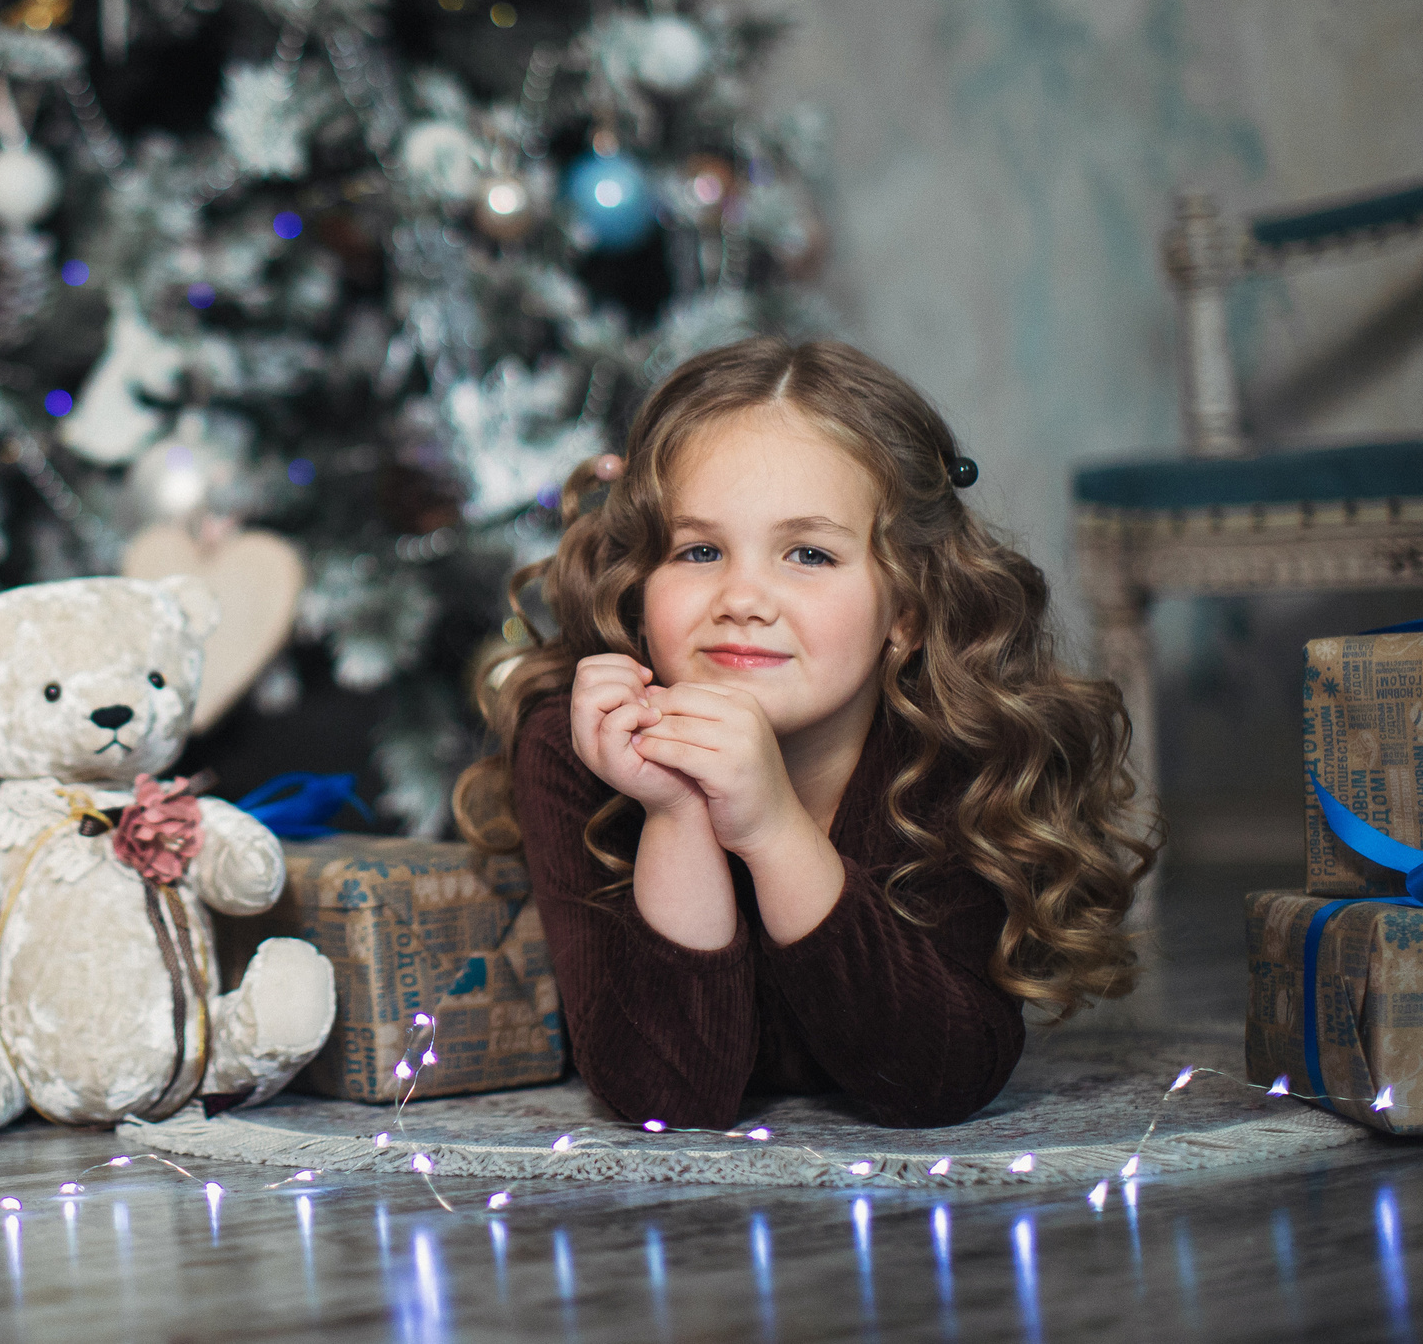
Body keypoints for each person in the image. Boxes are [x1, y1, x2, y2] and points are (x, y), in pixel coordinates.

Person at [452, 338, 1155, 1129]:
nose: (743, 596)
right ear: (643, 582)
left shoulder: (953, 750)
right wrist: (674, 810)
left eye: (809, 553)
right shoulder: (578, 744)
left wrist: (773, 827)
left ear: (907, 614)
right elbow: (667, 1098)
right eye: (701, 550)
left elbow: (943, 1078)